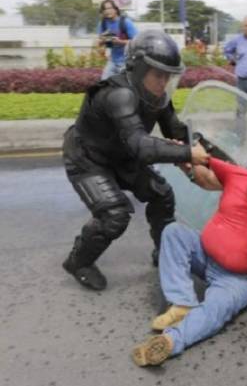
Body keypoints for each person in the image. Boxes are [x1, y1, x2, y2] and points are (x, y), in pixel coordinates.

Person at [131, 154, 247, 367]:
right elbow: (204, 171)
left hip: (240, 279)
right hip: (205, 254)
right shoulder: (238, 175)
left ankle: (169, 341)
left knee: (216, 308)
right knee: (173, 232)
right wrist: (181, 155)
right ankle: (182, 302)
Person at [62, 29, 208, 291]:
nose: (163, 82)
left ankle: (165, 253)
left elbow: (174, 129)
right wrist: (186, 154)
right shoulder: (119, 94)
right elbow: (142, 146)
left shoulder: (156, 95)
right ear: (139, 69)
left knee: (161, 195)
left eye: (168, 76)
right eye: (158, 75)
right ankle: (78, 262)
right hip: (89, 159)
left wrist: (207, 151)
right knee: (114, 215)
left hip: (121, 154)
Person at [97, 0, 138, 80]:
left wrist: (120, 42)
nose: (107, 11)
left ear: (116, 9)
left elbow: (137, 42)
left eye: (109, 8)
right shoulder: (103, 24)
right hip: (113, 61)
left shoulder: (126, 22)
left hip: (127, 62)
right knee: (103, 84)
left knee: (126, 88)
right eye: (104, 9)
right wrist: (103, 40)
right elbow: (99, 43)